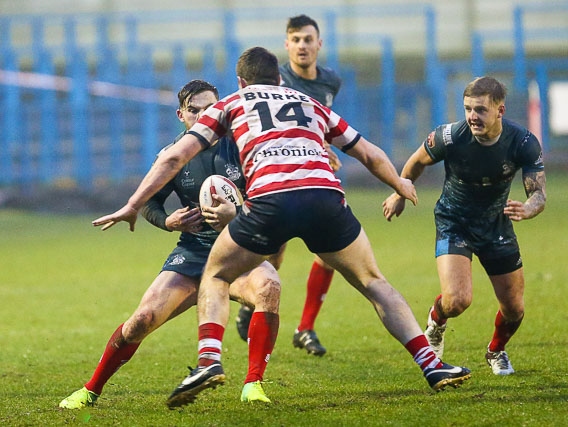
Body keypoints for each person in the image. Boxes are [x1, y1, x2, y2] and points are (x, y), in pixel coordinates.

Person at [92, 47, 472, 407]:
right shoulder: (311, 104)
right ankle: (431, 365)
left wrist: (131, 205)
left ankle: (209, 361)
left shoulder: (232, 104)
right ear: (279, 80)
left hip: (272, 200)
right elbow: (368, 152)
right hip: (323, 196)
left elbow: (174, 155)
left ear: (241, 83)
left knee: (216, 273)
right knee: (373, 281)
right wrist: (399, 184)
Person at [59, 80, 281, 409]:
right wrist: (168, 221)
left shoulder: (242, 146)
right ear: (181, 115)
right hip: (192, 254)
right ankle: (90, 390)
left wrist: (238, 213)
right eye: (195, 110)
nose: (205, 115)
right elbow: (149, 204)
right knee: (141, 321)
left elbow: (270, 201)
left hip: (237, 254)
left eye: (211, 108)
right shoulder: (173, 155)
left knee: (269, 287)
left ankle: (253, 384)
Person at [382, 76, 546, 376]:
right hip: (454, 222)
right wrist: (399, 191)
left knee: (514, 309)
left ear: (500, 110)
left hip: (496, 225)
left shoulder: (522, 142)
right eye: (468, 108)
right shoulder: (450, 136)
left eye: (481, 110)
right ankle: (436, 321)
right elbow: (417, 161)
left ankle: (496, 351)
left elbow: (539, 193)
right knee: (457, 301)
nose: (472, 116)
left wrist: (528, 207)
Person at [235, 14, 342, 357]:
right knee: (273, 255)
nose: (302, 45)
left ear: (318, 44)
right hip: (279, 178)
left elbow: (321, 126)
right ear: (287, 45)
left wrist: (324, 150)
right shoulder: (277, 82)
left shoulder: (330, 82)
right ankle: (251, 298)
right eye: (295, 39)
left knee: (331, 251)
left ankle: (306, 328)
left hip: (314, 176)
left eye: (308, 39)